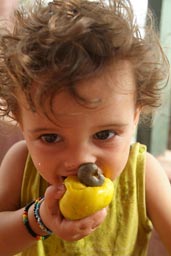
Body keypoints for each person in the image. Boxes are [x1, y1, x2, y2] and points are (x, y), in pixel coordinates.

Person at [0, 0, 170, 255]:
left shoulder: (143, 174)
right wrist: (40, 219)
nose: (80, 160)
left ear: (135, 115)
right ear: (22, 124)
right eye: (50, 137)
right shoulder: (19, 164)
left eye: (104, 135)